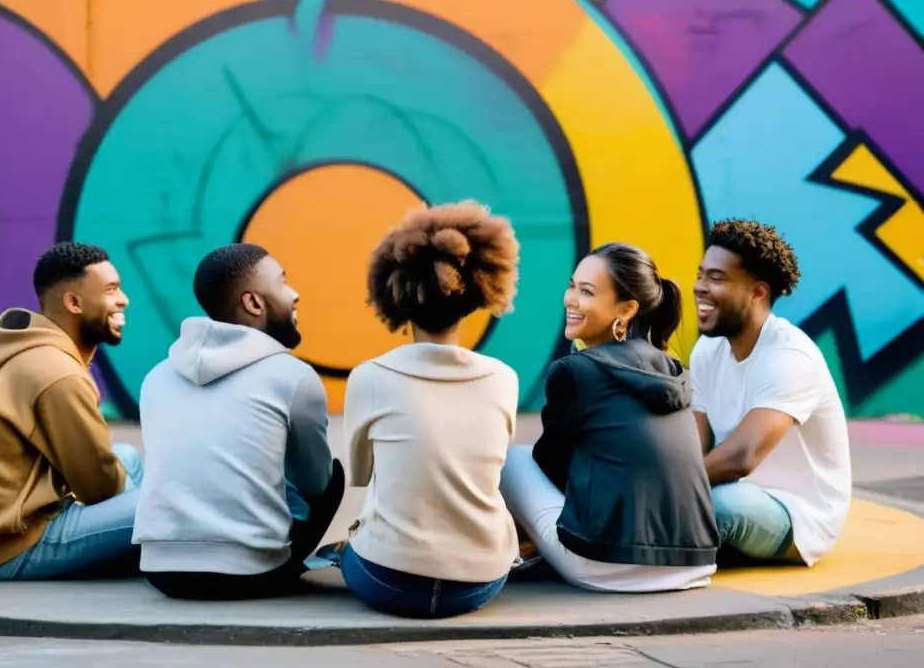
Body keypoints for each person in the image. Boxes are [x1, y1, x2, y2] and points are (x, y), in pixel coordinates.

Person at [500, 242, 719, 593]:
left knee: (513, 459)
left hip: (605, 567)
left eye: (586, 292)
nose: (570, 299)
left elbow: (551, 467)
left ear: (627, 309)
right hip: (696, 564)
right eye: (572, 285)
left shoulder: (575, 371)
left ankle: (511, 551)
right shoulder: (674, 369)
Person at [132, 243, 343, 600]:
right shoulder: (292, 376)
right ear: (254, 303)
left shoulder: (156, 376)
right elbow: (315, 481)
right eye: (283, 282)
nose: (295, 295)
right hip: (249, 575)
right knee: (333, 475)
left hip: (162, 574)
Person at [341, 200, 520, 619]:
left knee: (348, 546)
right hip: (480, 583)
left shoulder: (369, 377)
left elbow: (360, 474)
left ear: (394, 294)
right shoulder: (504, 378)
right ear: (479, 292)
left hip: (387, 582)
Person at [0, 241, 142, 581]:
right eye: (111, 290)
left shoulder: (29, 350)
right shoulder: (57, 374)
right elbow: (99, 487)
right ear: (73, 303)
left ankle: (138, 546)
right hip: (19, 546)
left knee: (129, 457)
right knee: (168, 506)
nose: (123, 299)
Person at [691, 219, 851, 567]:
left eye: (716, 278)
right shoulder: (707, 350)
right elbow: (694, 444)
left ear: (757, 292)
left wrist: (657, 486)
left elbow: (740, 457)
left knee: (721, 509)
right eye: (701, 274)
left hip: (797, 515)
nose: (700, 287)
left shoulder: (790, 356)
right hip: (725, 488)